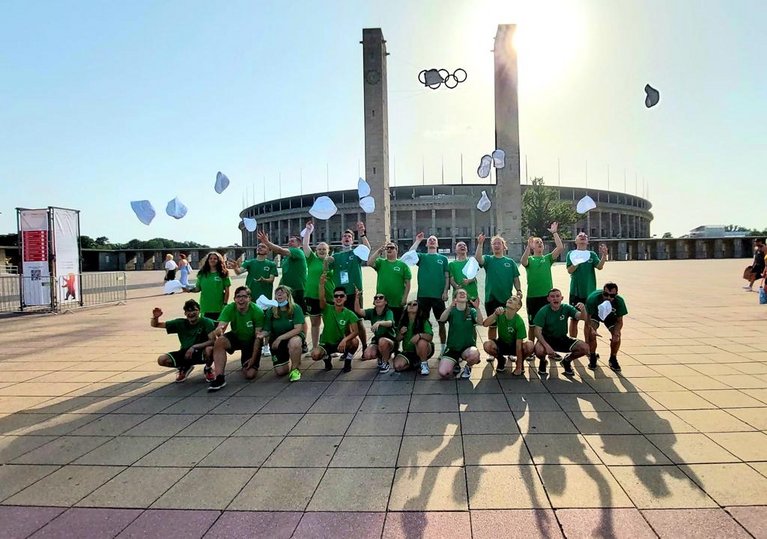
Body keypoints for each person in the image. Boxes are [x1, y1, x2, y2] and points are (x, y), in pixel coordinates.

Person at [208, 286, 265, 391]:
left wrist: (253, 359)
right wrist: (219, 331)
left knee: (249, 374)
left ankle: (247, 363)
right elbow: (221, 326)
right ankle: (219, 377)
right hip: (237, 337)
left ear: (250, 298)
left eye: (244, 296)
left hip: (251, 341)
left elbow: (258, 338)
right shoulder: (230, 308)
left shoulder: (257, 311)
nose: (241, 299)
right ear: (234, 299)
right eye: (238, 296)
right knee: (220, 341)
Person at [325, 221, 371, 347]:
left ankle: (364, 347)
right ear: (341, 240)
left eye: (349, 237)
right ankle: (347, 348)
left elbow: (367, 249)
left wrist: (362, 235)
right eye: (345, 236)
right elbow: (325, 271)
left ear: (352, 241)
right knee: (344, 322)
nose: (347, 238)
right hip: (341, 294)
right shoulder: (336, 256)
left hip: (355, 293)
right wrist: (326, 261)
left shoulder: (356, 253)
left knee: (359, 321)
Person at [231, 242, 278, 357]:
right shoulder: (250, 262)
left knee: (266, 321)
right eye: (259, 246)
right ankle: (255, 345)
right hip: (250, 298)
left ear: (268, 251)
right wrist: (235, 267)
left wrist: (263, 279)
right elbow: (239, 272)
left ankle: (266, 346)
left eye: (263, 247)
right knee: (252, 322)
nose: (260, 248)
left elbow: (271, 279)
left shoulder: (271, 264)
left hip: (265, 299)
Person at [150, 299, 216, 383]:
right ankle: (185, 367)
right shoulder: (180, 323)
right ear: (185, 313)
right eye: (188, 311)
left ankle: (208, 369)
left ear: (199, 311)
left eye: (194, 310)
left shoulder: (206, 322)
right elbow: (156, 325)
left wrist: (194, 347)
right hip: (185, 352)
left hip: (201, 351)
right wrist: (155, 317)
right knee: (162, 360)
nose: (191, 313)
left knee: (210, 349)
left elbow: (213, 341)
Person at [475, 233, 523, 345]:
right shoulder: (488, 259)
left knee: (507, 325)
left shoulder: (510, 262)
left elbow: (516, 278)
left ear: (504, 246)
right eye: (494, 243)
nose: (496, 245)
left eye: (499, 243)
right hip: (491, 298)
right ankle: (493, 350)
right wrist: (480, 244)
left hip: (506, 299)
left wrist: (519, 290)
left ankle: (509, 349)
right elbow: (478, 258)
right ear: (492, 246)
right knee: (492, 326)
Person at [532, 288, 590, 377]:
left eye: (557, 296)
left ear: (561, 298)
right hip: (547, 339)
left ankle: (566, 361)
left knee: (585, 348)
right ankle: (543, 361)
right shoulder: (543, 311)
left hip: (562, 338)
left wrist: (583, 310)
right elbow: (537, 332)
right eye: (552, 296)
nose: (555, 298)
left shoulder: (566, 308)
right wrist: (547, 347)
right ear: (548, 299)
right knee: (539, 350)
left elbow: (582, 317)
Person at [408, 232, 450, 352]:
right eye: (430, 240)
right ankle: (424, 348)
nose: (432, 241)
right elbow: (410, 254)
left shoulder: (443, 259)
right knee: (421, 322)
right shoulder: (421, 257)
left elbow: (447, 276)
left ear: (437, 244)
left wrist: (445, 291)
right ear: (426, 244)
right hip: (423, 296)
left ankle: (443, 348)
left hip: (438, 296)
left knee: (441, 322)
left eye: (434, 240)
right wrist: (417, 240)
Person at [309, 274, 360, 373]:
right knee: (315, 355)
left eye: (341, 296)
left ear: (345, 298)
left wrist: (345, 340)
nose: (338, 298)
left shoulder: (350, 314)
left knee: (355, 342)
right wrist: (321, 284)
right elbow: (322, 299)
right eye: (336, 296)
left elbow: (356, 332)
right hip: (326, 343)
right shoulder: (327, 308)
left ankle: (348, 361)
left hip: (341, 342)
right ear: (333, 298)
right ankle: (327, 360)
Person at [520, 222, 564, 328]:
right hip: (532, 296)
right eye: (537, 242)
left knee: (546, 324)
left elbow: (560, 247)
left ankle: (544, 343)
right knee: (532, 325)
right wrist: (528, 248)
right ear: (532, 246)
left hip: (546, 296)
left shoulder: (548, 258)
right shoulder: (530, 259)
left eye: (541, 242)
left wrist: (554, 233)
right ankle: (532, 344)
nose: (540, 243)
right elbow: (523, 261)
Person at [260, 285, 306, 382]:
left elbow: (298, 329)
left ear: (288, 295)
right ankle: (292, 359)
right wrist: (261, 335)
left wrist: (280, 338)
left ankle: (295, 369)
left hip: (292, 336)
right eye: (277, 293)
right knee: (281, 372)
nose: (279, 294)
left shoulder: (295, 308)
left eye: (282, 292)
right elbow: (267, 329)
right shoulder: (271, 310)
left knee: (295, 342)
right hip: (277, 339)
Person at [566, 232, 608, 338]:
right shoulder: (571, 254)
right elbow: (569, 270)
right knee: (574, 319)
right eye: (580, 236)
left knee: (588, 320)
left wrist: (604, 255)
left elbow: (599, 266)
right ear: (576, 241)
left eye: (585, 236)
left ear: (587, 242)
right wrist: (578, 261)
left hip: (590, 292)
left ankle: (588, 348)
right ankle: (573, 345)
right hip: (576, 292)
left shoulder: (591, 254)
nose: (583, 236)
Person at [302, 221, 335, 351]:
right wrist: (308, 231)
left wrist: (328, 263)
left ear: (328, 251)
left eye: (324, 249)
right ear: (316, 250)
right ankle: (315, 347)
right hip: (312, 295)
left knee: (329, 323)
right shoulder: (311, 260)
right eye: (319, 249)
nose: (321, 251)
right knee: (315, 323)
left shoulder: (332, 261)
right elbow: (305, 245)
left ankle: (330, 346)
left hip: (328, 296)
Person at [438, 289, 484, 380]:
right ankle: (455, 363)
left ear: (467, 299)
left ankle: (468, 367)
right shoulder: (452, 311)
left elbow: (480, 322)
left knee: (474, 355)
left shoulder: (472, 311)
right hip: (452, 348)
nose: (462, 293)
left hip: (467, 347)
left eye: (464, 293)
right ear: (455, 298)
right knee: (443, 373)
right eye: (459, 293)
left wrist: (478, 308)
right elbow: (442, 319)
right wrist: (450, 307)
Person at [483, 295, 534, 376]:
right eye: (509, 298)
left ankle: (520, 362)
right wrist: (495, 314)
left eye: (514, 299)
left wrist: (518, 367)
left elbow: (518, 345)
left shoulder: (519, 321)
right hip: (502, 343)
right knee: (487, 345)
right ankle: (501, 360)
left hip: (514, 346)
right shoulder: (500, 313)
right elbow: (485, 324)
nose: (510, 299)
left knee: (530, 345)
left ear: (518, 306)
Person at [257, 230, 307, 310]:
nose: (289, 243)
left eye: (292, 241)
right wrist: (280, 287)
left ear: (299, 244)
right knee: (285, 312)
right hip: (287, 289)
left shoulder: (298, 251)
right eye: (289, 241)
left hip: (298, 289)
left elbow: (280, 250)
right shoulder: (287, 257)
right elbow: (286, 273)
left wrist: (267, 242)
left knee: (299, 314)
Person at [585, 282, 628, 372]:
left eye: (612, 295)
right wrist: (592, 329)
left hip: (611, 317)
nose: (608, 298)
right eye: (606, 294)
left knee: (617, 336)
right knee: (591, 333)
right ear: (602, 293)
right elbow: (587, 318)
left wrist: (616, 333)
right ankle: (592, 356)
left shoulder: (619, 301)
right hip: (595, 315)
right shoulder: (593, 299)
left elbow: (620, 321)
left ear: (616, 294)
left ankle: (613, 358)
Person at [367, 240, 411, 322]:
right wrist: (379, 251)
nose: (389, 249)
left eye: (392, 247)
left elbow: (408, 284)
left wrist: (405, 298)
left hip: (397, 302)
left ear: (396, 250)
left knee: (397, 325)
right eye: (387, 248)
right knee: (382, 324)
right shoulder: (381, 262)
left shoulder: (403, 265)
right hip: (382, 301)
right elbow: (369, 263)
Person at [354, 289, 396, 373]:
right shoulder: (372, 312)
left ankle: (385, 362)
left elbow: (390, 323)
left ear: (386, 302)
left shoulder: (388, 312)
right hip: (377, 340)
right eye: (376, 297)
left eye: (381, 297)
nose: (378, 299)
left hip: (389, 339)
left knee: (382, 341)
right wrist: (357, 298)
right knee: (368, 354)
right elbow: (358, 311)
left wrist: (379, 322)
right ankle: (381, 357)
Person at [393, 299, 435, 374]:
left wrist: (420, 335)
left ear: (419, 308)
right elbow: (397, 339)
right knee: (398, 366)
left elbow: (430, 337)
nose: (411, 305)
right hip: (408, 351)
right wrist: (401, 333)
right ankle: (415, 364)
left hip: (424, 349)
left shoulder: (423, 321)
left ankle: (424, 364)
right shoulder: (403, 321)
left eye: (415, 304)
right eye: (409, 304)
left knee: (421, 342)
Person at [188, 251, 231, 321]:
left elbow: (227, 291)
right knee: (206, 329)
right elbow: (197, 289)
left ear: (219, 261)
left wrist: (225, 303)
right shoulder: (202, 274)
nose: (212, 260)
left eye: (215, 259)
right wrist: (189, 290)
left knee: (218, 329)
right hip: (205, 307)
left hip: (219, 307)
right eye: (210, 258)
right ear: (207, 260)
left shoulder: (223, 273)